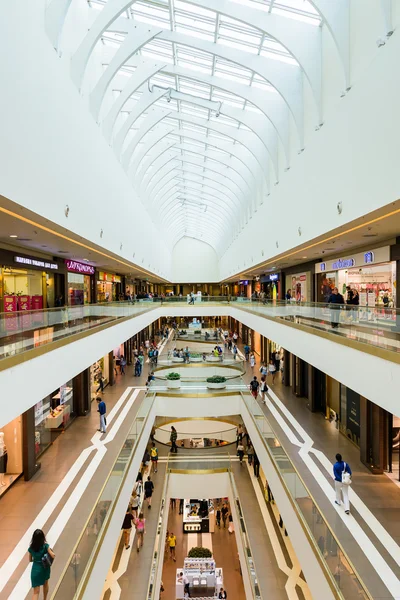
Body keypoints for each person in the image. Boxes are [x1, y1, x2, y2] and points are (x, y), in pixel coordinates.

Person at [28, 529, 55, 600]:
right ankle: (45, 599)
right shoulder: (45, 546)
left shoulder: (31, 548)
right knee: (45, 584)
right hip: (44, 568)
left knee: (35, 592)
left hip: (35, 570)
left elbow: (30, 560)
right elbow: (53, 555)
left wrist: (36, 559)